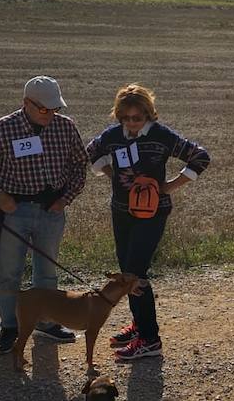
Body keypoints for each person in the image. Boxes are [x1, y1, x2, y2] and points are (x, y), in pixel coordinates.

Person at [0, 76, 88, 357]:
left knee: (47, 272)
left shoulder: (66, 128)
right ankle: (10, 327)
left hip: (51, 211)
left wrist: (64, 199)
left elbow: (80, 165)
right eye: (44, 109)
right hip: (14, 211)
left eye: (54, 109)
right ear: (26, 104)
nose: (50, 114)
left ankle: (46, 322)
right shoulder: (1, 130)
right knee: (10, 273)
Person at [86, 84, 210, 362]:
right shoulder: (113, 135)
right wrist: (113, 177)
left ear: (148, 115)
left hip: (153, 214)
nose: (131, 123)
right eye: (125, 118)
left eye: (137, 118)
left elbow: (201, 157)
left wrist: (168, 187)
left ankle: (150, 340)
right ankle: (139, 325)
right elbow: (91, 152)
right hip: (121, 212)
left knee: (134, 274)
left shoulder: (162, 135)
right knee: (127, 271)